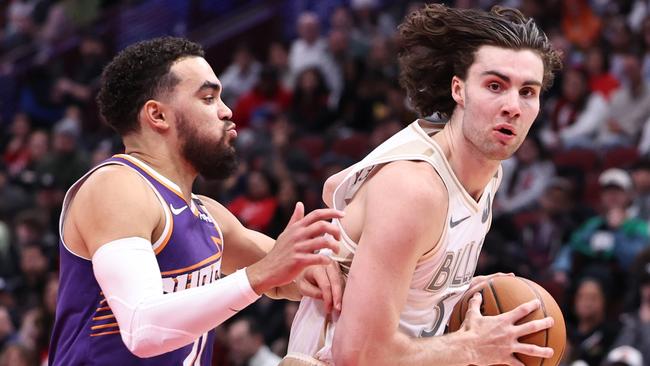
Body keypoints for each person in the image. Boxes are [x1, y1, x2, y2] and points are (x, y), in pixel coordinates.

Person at [284, 4, 562, 365]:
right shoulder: (414, 188)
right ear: (458, 90)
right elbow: (357, 354)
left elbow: (336, 188)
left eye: (528, 92)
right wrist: (472, 347)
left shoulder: (487, 169)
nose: (512, 105)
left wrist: (455, 289)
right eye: (495, 85)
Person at [48, 37, 346, 365]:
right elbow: (142, 327)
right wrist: (260, 275)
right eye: (208, 98)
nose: (226, 111)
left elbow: (284, 278)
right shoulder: (116, 186)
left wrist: (334, 273)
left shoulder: (208, 215)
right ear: (157, 115)